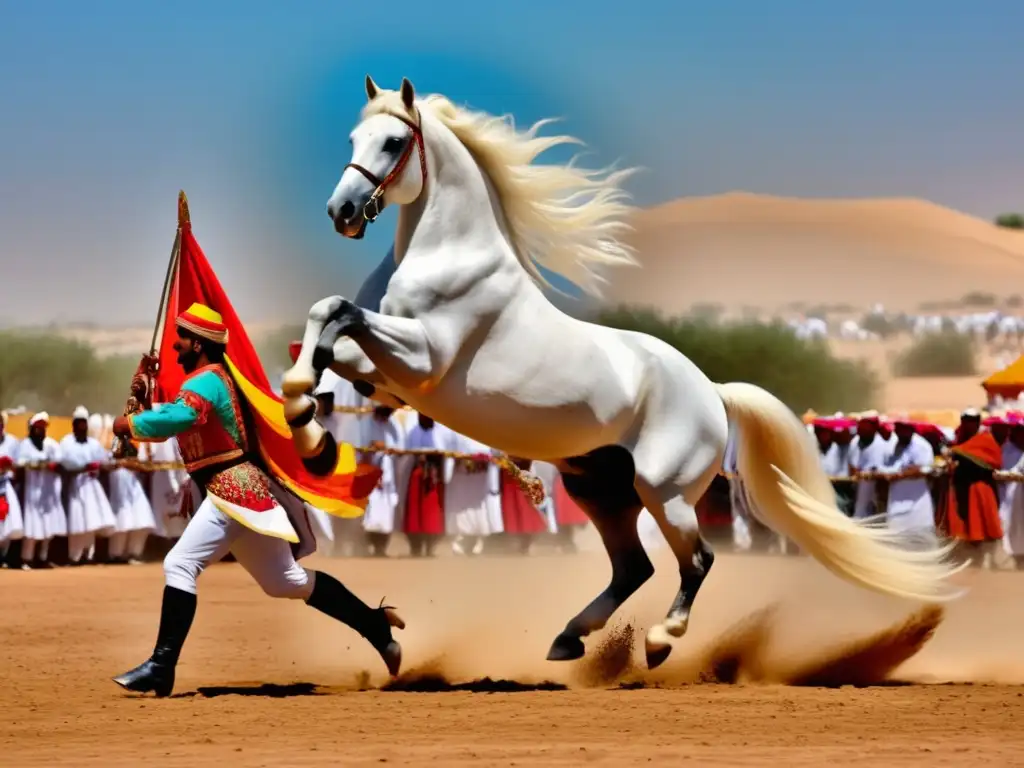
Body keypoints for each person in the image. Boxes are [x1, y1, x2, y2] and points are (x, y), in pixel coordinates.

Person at [109, 302, 403, 697]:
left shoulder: (208, 379)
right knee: (285, 581)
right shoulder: (206, 380)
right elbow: (178, 416)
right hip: (237, 493)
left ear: (198, 344)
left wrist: (130, 422)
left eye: (181, 339)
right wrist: (142, 401)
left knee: (179, 564)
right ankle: (373, 625)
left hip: (231, 489)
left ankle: (161, 666)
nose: (175, 347)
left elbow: (183, 418)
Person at [60, 406, 117, 565]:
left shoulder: (93, 443)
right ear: (74, 424)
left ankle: (89, 554)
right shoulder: (67, 442)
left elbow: (104, 461)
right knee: (78, 521)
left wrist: (101, 466)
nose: (82, 427)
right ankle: (74, 556)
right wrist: (85, 467)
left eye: (84, 423)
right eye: (79, 423)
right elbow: (65, 464)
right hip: (76, 485)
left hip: (92, 485)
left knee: (92, 520)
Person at [15, 413, 65, 570]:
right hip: (33, 490)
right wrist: (38, 464)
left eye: (43, 427)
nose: (40, 430)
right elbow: (20, 462)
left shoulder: (51, 444)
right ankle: (26, 558)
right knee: (32, 525)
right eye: (38, 427)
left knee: (48, 526)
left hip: (48, 491)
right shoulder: (25, 444)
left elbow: (60, 461)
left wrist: (53, 465)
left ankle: (43, 557)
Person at [0, 411, 24, 567]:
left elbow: (19, 464)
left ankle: (6, 556)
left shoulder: (12, 442)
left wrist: (9, 466)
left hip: (6, 486)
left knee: (9, 521)